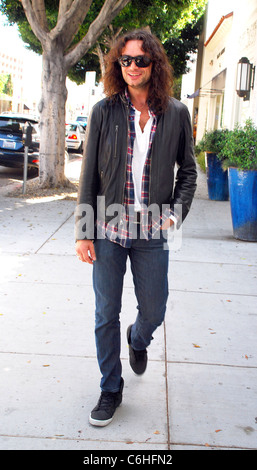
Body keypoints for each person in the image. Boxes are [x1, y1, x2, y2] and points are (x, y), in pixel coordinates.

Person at [75, 29, 197, 427]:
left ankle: (138, 338)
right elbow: (89, 175)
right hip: (108, 228)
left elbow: (189, 173)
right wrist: (82, 230)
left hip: (153, 232)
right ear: (118, 64)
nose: (132, 67)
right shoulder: (103, 111)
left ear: (154, 65)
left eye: (140, 60)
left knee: (155, 308)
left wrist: (176, 213)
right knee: (105, 312)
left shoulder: (176, 113)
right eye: (125, 60)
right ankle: (111, 387)